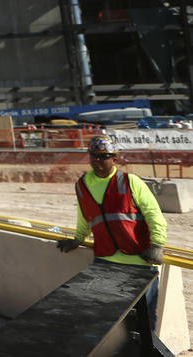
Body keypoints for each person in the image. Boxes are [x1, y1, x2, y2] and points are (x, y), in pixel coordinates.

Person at [57, 134, 167, 325]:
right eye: (94, 156)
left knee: (145, 321)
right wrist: (78, 239)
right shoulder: (82, 185)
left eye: (104, 156)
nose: (98, 161)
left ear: (114, 159)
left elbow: (154, 214)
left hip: (139, 262)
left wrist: (157, 244)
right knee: (108, 320)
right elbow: (85, 216)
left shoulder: (130, 181)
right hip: (105, 262)